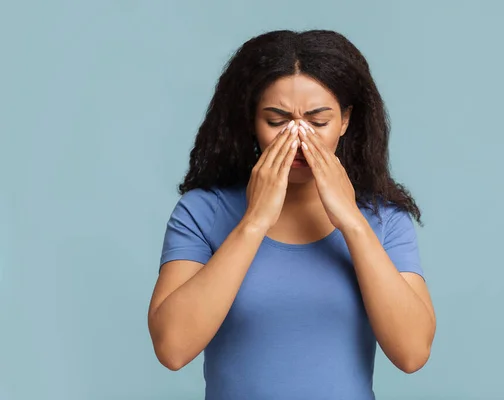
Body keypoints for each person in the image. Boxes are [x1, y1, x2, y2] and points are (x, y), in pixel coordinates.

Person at [147, 29, 436, 400]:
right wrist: (253, 222)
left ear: (345, 121)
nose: (299, 138)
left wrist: (351, 221)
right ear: (252, 121)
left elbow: (412, 353)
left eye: (318, 122)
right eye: (277, 120)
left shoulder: (383, 218)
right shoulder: (203, 211)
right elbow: (172, 348)